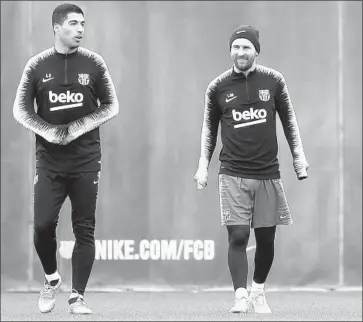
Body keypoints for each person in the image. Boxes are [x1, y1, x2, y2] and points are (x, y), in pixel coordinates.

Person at [194, 25, 309, 314]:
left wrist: (299, 159)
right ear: (230, 50)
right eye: (236, 47)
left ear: (256, 50)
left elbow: (289, 122)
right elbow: (209, 130)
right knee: (238, 236)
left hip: (268, 173)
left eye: (246, 47)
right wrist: (202, 168)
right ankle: (241, 295)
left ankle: (258, 290)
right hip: (232, 173)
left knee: (266, 239)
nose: (240, 52)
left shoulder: (273, 81)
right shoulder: (217, 87)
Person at [13, 3, 119, 315]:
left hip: (86, 160)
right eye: (73, 23)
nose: (80, 29)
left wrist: (74, 129)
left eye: (83, 23)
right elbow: (21, 110)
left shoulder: (94, 63)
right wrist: (50, 132)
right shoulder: (37, 65)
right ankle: (51, 279)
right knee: (43, 226)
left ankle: (78, 297)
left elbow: (111, 105)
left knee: (84, 228)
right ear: (57, 27)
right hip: (49, 161)